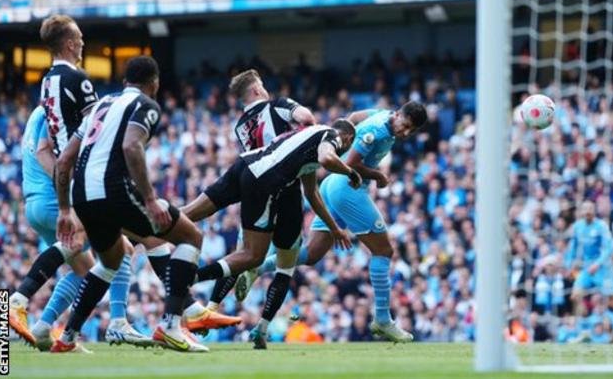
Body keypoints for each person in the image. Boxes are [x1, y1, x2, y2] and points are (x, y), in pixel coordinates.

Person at [9, 14, 148, 349]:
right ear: (70, 43)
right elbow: (93, 130)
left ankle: (45, 328)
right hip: (73, 179)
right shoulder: (78, 80)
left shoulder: (46, 85)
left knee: (99, 260)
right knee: (112, 248)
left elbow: (46, 147)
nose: (84, 43)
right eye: (81, 38)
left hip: (51, 187)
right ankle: (18, 300)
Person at [51, 56, 207, 353]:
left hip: (83, 196)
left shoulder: (99, 106)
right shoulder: (146, 105)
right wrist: (149, 198)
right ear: (155, 83)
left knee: (110, 262)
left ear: (125, 83)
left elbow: (63, 160)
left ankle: (68, 336)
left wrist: (64, 209)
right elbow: (131, 145)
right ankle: (172, 325)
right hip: (114, 190)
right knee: (191, 236)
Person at [244, 102, 428, 345]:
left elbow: (350, 118)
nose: (405, 132)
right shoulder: (378, 131)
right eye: (405, 125)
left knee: (312, 254)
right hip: (345, 190)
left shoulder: (380, 114)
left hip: (331, 185)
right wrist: (378, 175)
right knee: (384, 251)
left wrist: (335, 142)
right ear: (398, 115)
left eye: (410, 130)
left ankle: (257, 268)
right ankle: (383, 319)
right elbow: (351, 164)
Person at [182, 121, 362, 349]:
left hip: (246, 164)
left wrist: (334, 229)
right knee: (255, 257)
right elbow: (328, 158)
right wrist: (350, 172)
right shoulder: (332, 136)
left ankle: (149, 229)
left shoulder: (307, 139)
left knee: (193, 213)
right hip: (266, 181)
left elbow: (312, 193)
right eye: (347, 145)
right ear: (347, 138)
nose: (344, 150)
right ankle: (188, 279)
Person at [195, 69, 316, 314]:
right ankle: (261, 327)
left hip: (255, 188)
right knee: (286, 263)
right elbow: (307, 117)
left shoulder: (240, 125)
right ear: (257, 90)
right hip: (286, 187)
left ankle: (211, 307)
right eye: (261, 85)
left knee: (243, 254)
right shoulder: (277, 105)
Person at [564, 201, 613, 317]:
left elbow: (608, 248)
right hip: (587, 268)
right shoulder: (577, 227)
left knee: (612, 301)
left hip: (603, 268)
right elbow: (572, 248)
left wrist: (598, 264)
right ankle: (583, 324)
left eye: (590, 209)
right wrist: (568, 266)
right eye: (585, 209)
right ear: (581, 212)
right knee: (575, 296)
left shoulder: (601, 226)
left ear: (594, 211)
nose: (588, 211)